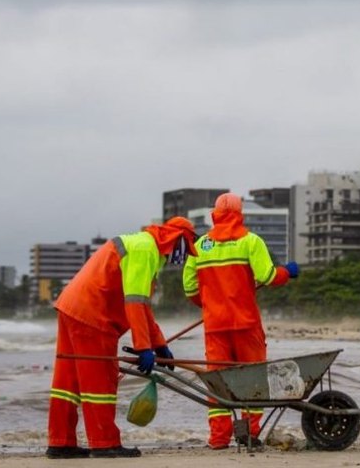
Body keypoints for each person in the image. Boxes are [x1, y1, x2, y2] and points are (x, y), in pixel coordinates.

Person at [47, 217, 199, 459]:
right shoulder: (145, 249)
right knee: (100, 382)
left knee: (68, 382)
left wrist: (159, 345)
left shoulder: (143, 246)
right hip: (94, 316)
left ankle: (60, 442)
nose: (182, 258)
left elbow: (143, 306)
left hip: (72, 307)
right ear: (176, 239)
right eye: (186, 249)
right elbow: (136, 303)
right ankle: (104, 443)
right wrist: (143, 347)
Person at [183, 193, 300, 450]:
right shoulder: (250, 241)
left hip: (215, 326)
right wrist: (287, 272)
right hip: (246, 324)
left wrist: (209, 306)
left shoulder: (200, 246)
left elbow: (189, 287)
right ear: (239, 213)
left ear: (215, 214)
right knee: (254, 379)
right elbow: (267, 276)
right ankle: (248, 434)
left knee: (218, 382)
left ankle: (218, 439)